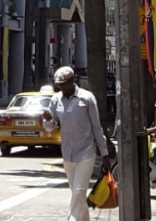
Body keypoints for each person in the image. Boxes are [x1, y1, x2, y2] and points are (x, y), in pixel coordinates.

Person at [40, 66, 111, 221]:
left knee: (79, 191)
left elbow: (96, 127)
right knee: (77, 193)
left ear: (72, 81)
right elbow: (51, 127)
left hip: (86, 152)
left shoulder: (87, 98)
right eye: (58, 84)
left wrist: (104, 153)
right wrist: (47, 119)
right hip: (67, 153)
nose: (60, 87)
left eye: (63, 83)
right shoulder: (56, 100)